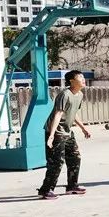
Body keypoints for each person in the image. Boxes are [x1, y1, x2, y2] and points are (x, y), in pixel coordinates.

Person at [37, 70, 91, 199]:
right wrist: (51, 135)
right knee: (57, 162)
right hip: (57, 132)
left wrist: (83, 128)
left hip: (67, 131)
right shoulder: (64, 94)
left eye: (83, 77)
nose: (83, 79)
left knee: (75, 157)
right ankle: (46, 190)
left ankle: (72, 186)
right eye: (80, 77)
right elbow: (58, 113)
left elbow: (73, 113)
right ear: (72, 81)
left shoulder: (80, 95)